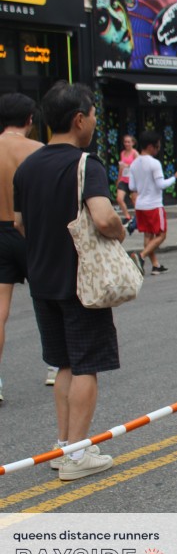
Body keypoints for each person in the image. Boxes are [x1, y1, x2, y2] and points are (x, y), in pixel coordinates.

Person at [13, 81, 121, 481]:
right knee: (86, 365)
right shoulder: (85, 164)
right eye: (92, 115)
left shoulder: (28, 167)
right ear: (79, 119)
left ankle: (64, 445)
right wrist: (119, 232)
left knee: (63, 364)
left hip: (42, 279)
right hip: (82, 281)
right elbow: (104, 217)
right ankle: (77, 453)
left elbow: (20, 223)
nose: (94, 121)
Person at [0, 93, 44, 403]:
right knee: (48, 298)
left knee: (0, 309)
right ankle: (56, 366)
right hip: (32, 231)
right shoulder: (38, 150)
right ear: (29, 119)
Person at [126, 131, 177, 276]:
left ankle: (155, 265)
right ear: (151, 146)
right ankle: (141, 256)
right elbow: (161, 184)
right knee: (161, 235)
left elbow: (132, 186)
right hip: (154, 205)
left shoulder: (134, 164)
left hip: (140, 205)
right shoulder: (154, 163)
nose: (158, 149)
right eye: (157, 146)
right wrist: (175, 178)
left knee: (148, 236)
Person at [116, 134, 137, 230]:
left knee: (134, 201)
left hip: (133, 181)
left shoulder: (135, 153)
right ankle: (127, 216)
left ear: (133, 143)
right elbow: (121, 167)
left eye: (129, 142)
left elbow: (139, 166)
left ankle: (138, 218)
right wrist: (119, 179)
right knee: (119, 199)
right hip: (124, 180)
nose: (127, 144)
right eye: (125, 142)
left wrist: (128, 165)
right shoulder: (122, 153)